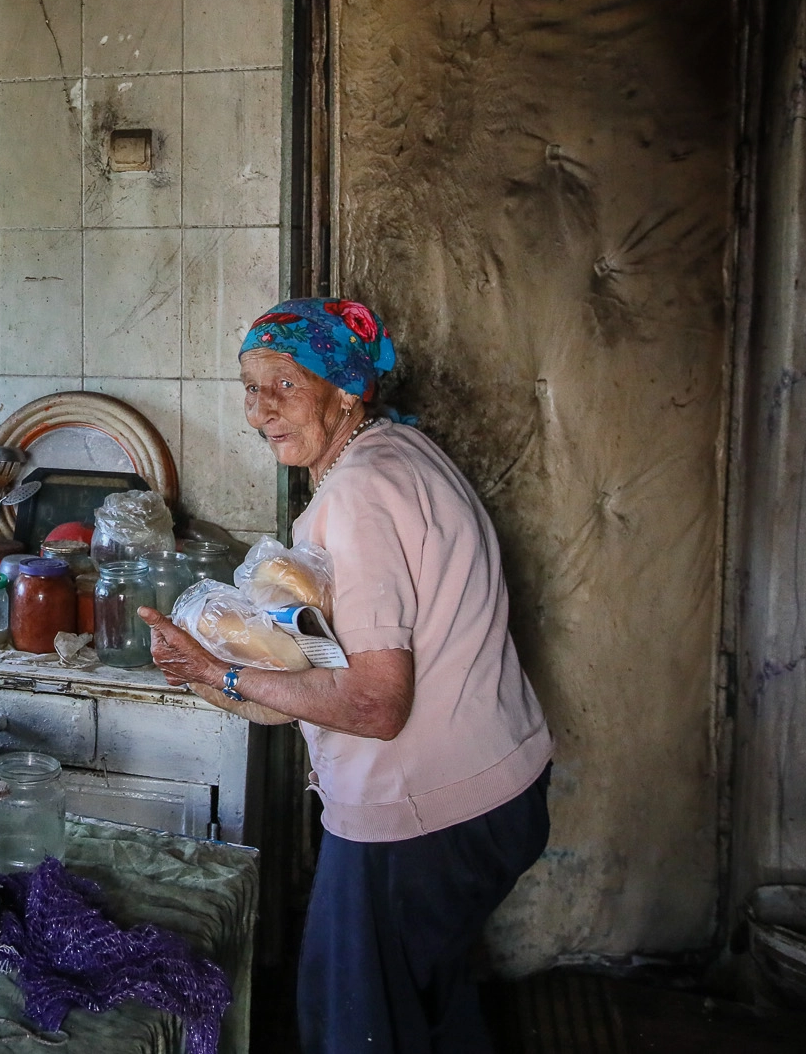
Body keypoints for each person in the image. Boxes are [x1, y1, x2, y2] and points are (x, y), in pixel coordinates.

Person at [140, 297, 553, 1054]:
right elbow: (336, 667)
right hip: (494, 792)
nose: (259, 409)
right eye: (249, 386)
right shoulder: (396, 452)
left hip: (420, 816)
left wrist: (222, 677)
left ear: (345, 391)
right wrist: (220, 671)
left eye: (284, 385)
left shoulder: (359, 495)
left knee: (352, 1024)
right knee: (425, 1002)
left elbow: (372, 700)